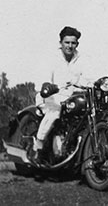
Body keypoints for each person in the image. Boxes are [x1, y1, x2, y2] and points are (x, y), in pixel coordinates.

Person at [33, 26, 93, 156]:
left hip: (70, 98)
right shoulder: (52, 58)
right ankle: (39, 144)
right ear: (60, 43)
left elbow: (88, 77)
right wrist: (47, 86)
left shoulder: (81, 59)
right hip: (50, 96)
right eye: (67, 42)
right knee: (54, 112)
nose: (70, 46)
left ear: (77, 44)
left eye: (73, 43)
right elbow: (43, 77)